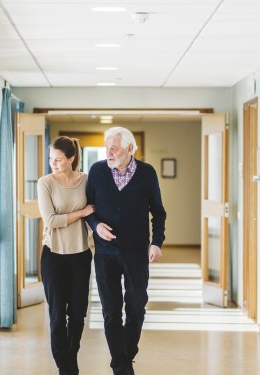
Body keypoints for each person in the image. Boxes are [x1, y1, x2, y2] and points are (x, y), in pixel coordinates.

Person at [85, 127, 166, 375]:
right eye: (107, 147)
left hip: (135, 252)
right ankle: (121, 366)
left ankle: (126, 354)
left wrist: (157, 242)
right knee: (111, 311)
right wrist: (96, 226)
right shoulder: (98, 171)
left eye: (115, 148)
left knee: (136, 307)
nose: (108, 152)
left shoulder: (147, 173)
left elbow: (158, 212)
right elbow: (89, 209)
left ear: (130, 149)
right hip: (105, 253)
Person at [36, 136, 94, 375]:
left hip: (81, 254)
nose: (53, 163)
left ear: (72, 158)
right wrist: (81, 212)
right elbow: (50, 220)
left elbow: (97, 211)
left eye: (58, 159)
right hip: (54, 256)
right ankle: (66, 368)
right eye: (51, 159)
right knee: (58, 315)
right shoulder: (45, 182)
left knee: (78, 314)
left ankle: (70, 358)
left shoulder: (86, 181)